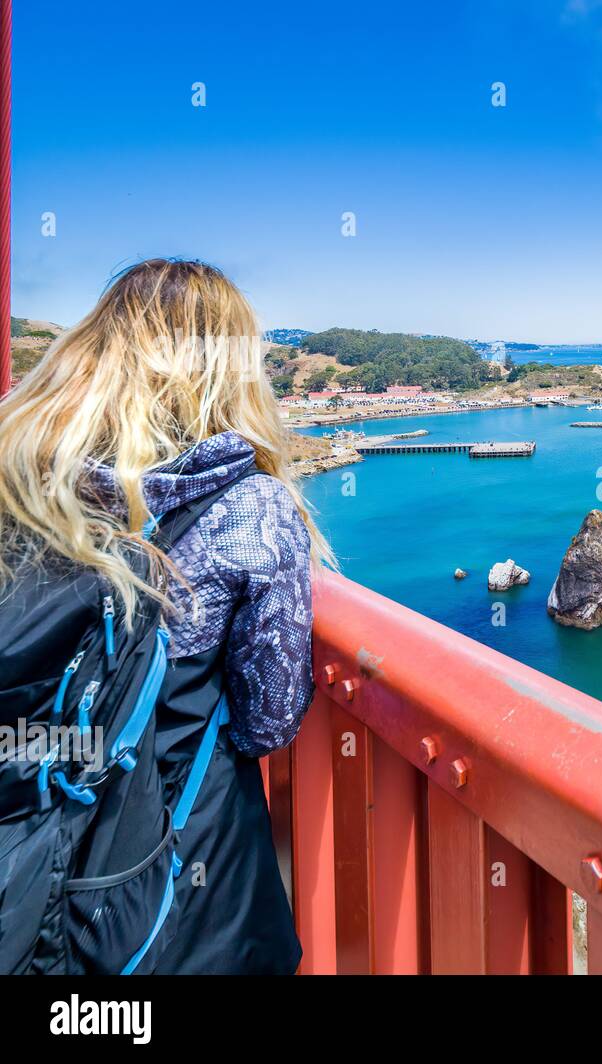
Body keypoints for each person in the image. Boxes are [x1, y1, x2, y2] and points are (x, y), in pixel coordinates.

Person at [0, 259, 333, 973]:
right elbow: (267, 720)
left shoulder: (21, 479)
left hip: (27, 846)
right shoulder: (248, 505)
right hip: (174, 868)